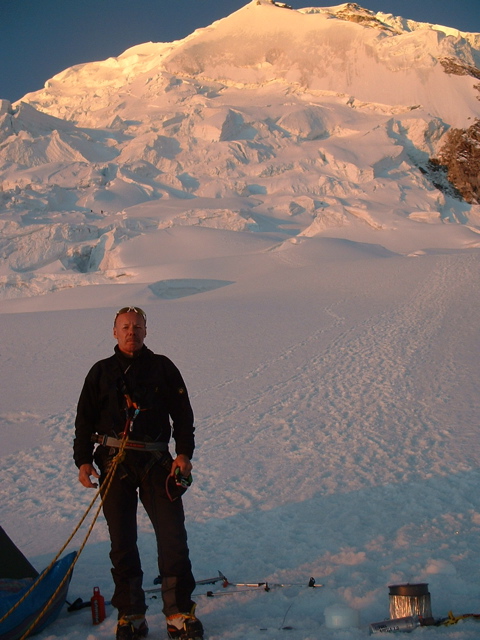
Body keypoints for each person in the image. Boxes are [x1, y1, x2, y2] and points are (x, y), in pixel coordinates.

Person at [73, 306, 203, 640]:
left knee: (173, 537)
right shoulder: (100, 373)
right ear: (114, 331)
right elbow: (84, 420)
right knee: (122, 541)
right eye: (126, 327)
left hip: (157, 463)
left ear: (147, 330)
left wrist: (184, 454)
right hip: (114, 463)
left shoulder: (163, 368)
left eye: (138, 326)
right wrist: (83, 461)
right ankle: (130, 614)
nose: (132, 332)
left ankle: (178, 613)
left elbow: (183, 416)